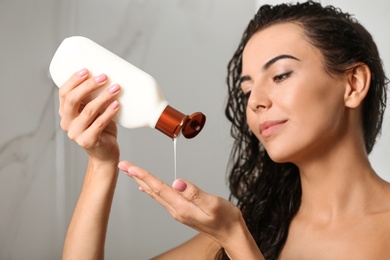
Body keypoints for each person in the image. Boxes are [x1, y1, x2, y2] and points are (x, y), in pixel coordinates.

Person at [58, 1, 390, 259]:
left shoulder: (236, 232)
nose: (255, 102)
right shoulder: (261, 226)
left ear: (354, 84)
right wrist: (101, 164)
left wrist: (235, 241)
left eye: (281, 75)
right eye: (246, 91)